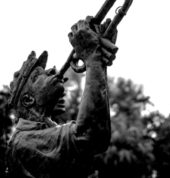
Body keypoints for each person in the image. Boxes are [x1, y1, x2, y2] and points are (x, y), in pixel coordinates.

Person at [7, 17, 118, 178]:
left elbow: (97, 136)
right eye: (38, 75)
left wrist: (97, 58)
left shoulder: (45, 130)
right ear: (28, 100)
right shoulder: (23, 142)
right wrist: (94, 57)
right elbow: (91, 136)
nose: (51, 70)